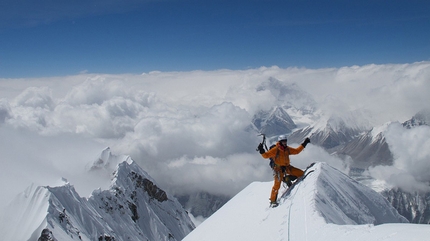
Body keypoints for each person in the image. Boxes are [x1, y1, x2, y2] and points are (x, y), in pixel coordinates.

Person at [258, 135, 310, 206]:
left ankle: (286, 179)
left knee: (301, 173)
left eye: (285, 141)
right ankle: (273, 201)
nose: (285, 143)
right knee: (276, 186)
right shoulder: (276, 149)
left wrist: (304, 143)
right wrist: (261, 151)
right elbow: (266, 156)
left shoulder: (287, 149)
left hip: (287, 167)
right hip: (278, 170)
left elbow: (297, 151)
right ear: (280, 142)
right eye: (283, 141)